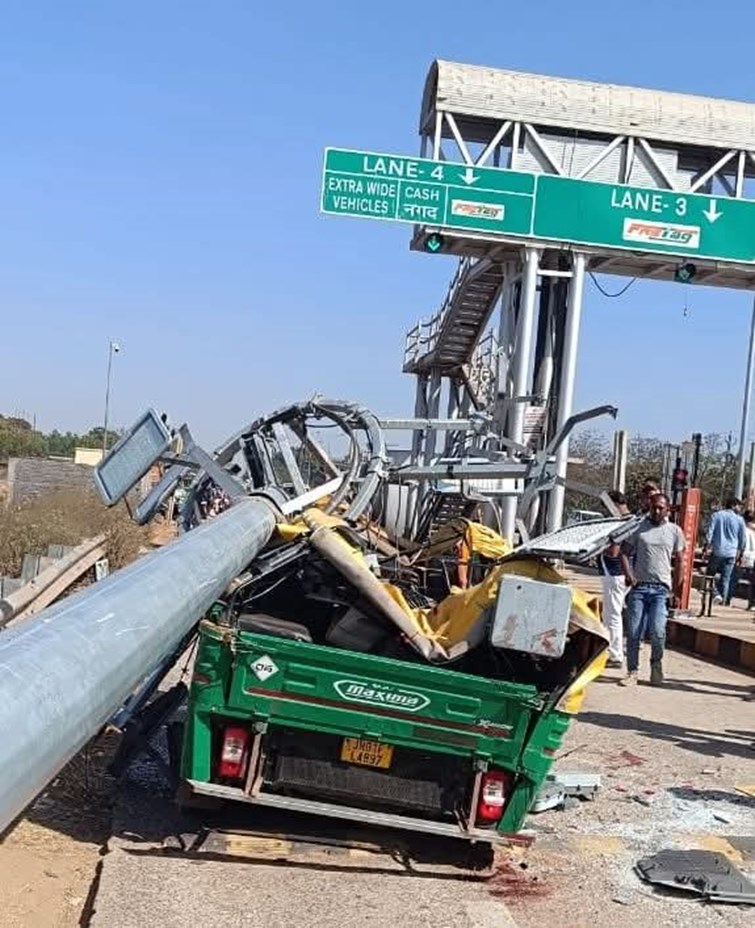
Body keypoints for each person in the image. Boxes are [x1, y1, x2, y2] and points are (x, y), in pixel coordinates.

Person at [619, 493, 686, 687]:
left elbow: (680, 560)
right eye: (654, 507)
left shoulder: (674, 531)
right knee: (633, 632)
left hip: (660, 590)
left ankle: (656, 666)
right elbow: (624, 552)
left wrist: (676, 589)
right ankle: (632, 671)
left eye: (661, 508)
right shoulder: (639, 528)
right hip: (639, 589)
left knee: (657, 632)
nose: (656, 511)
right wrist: (629, 574)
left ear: (668, 509)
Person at [598, 490, 631, 668]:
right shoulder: (630, 520)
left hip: (614, 573)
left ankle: (615, 654)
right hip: (618, 574)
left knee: (612, 615)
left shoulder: (620, 523)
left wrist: (595, 548)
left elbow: (613, 552)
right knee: (612, 614)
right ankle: (613, 651)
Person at [704, 498, 746, 606]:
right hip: (731, 552)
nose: (740, 508)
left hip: (717, 550)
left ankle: (716, 594)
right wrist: (740, 552)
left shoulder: (716, 516)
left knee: (709, 575)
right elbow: (742, 539)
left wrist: (707, 546)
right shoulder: (740, 520)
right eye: (739, 506)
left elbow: (709, 533)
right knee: (726, 578)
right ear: (733, 505)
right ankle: (723, 601)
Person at [741, 510, 755, 610]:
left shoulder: (745, 529)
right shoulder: (750, 529)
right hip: (751, 556)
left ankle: (751, 603)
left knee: (752, 582)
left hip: (748, 556)